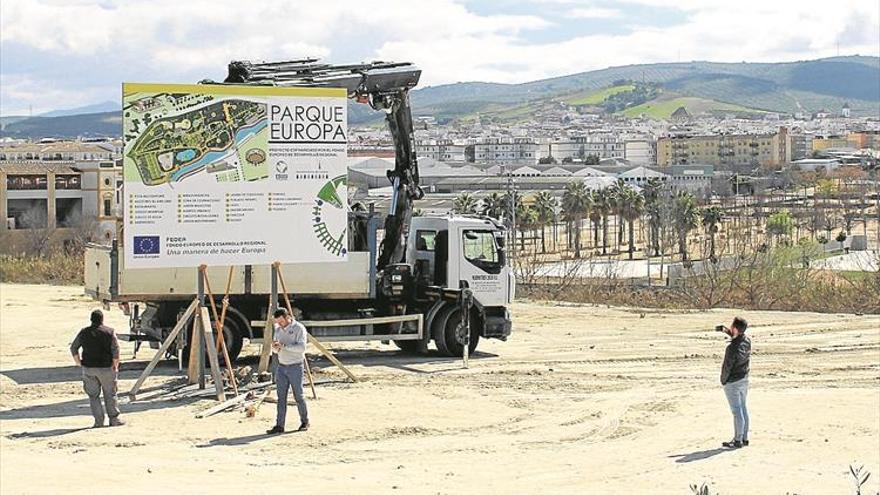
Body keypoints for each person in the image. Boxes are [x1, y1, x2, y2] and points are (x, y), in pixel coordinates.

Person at [70, 309, 123, 428]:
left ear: (91, 320)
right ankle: (114, 420)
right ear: (102, 320)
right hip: (106, 368)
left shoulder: (83, 332)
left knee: (93, 396)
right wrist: (116, 365)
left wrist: (79, 362)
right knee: (110, 394)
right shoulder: (109, 332)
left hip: (89, 368)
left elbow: (74, 348)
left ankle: (98, 421)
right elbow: (115, 350)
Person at [266, 307, 310, 434]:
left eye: (281, 321)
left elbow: (301, 348)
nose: (280, 324)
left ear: (288, 317)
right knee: (281, 397)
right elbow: (275, 349)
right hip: (282, 366)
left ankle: (304, 421)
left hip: (295, 366)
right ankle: (279, 425)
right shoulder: (278, 330)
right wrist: (275, 347)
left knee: (298, 396)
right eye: (278, 322)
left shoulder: (299, 329)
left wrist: (284, 347)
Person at [719, 316, 751, 448]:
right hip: (744, 379)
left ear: (736, 329)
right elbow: (738, 337)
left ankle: (737, 440)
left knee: (737, 411)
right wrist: (726, 331)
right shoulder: (747, 341)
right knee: (743, 408)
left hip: (733, 381)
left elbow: (727, 367)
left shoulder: (731, 348)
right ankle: (744, 437)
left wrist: (723, 380)